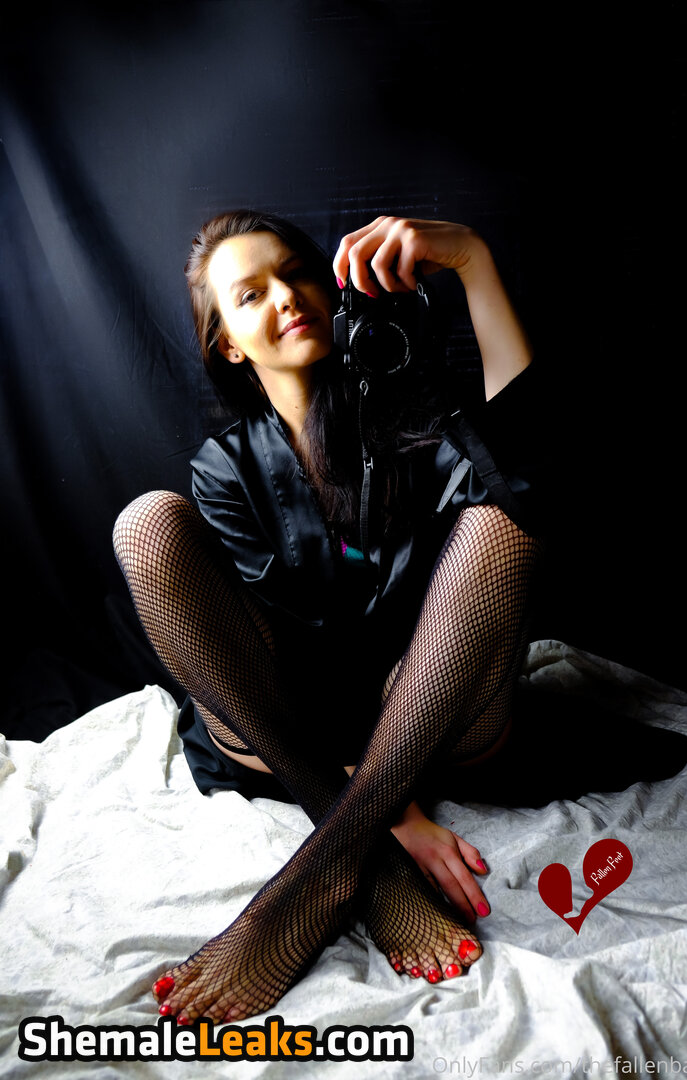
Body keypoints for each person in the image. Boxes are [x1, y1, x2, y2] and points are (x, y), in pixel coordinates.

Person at [113, 211, 545, 1025]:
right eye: (250, 294)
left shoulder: (417, 409)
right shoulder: (225, 470)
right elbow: (269, 665)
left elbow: (530, 470)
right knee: (145, 524)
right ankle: (364, 865)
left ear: (332, 288)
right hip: (294, 738)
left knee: (509, 515)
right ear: (229, 345)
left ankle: (311, 881)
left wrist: (473, 259)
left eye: (295, 272)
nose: (284, 296)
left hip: (436, 718)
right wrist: (391, 817)